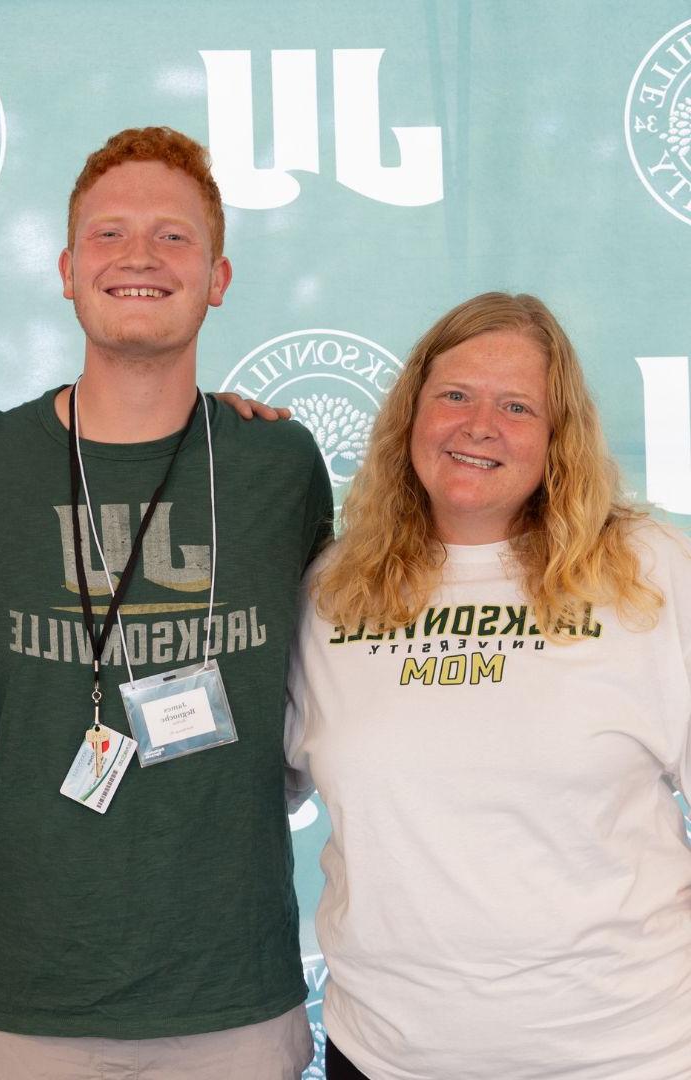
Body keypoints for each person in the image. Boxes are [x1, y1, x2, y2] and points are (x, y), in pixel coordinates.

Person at [0, 127, 333, 1079]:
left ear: (219, 277)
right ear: (64, 270)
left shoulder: (279, 464)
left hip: (230, 996)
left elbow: (335, 676)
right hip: (19, 990)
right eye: (109, 234)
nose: (139, 256)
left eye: (173, 237)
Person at [286, 292, 691, 1079]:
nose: (480, 426)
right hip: (387, 1057)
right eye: (455, 396)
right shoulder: (334, 591)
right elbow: (240, 788)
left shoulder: (648, 571)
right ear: (411, 415)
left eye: (516, 406)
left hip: (624, 1054)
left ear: (557, 438)